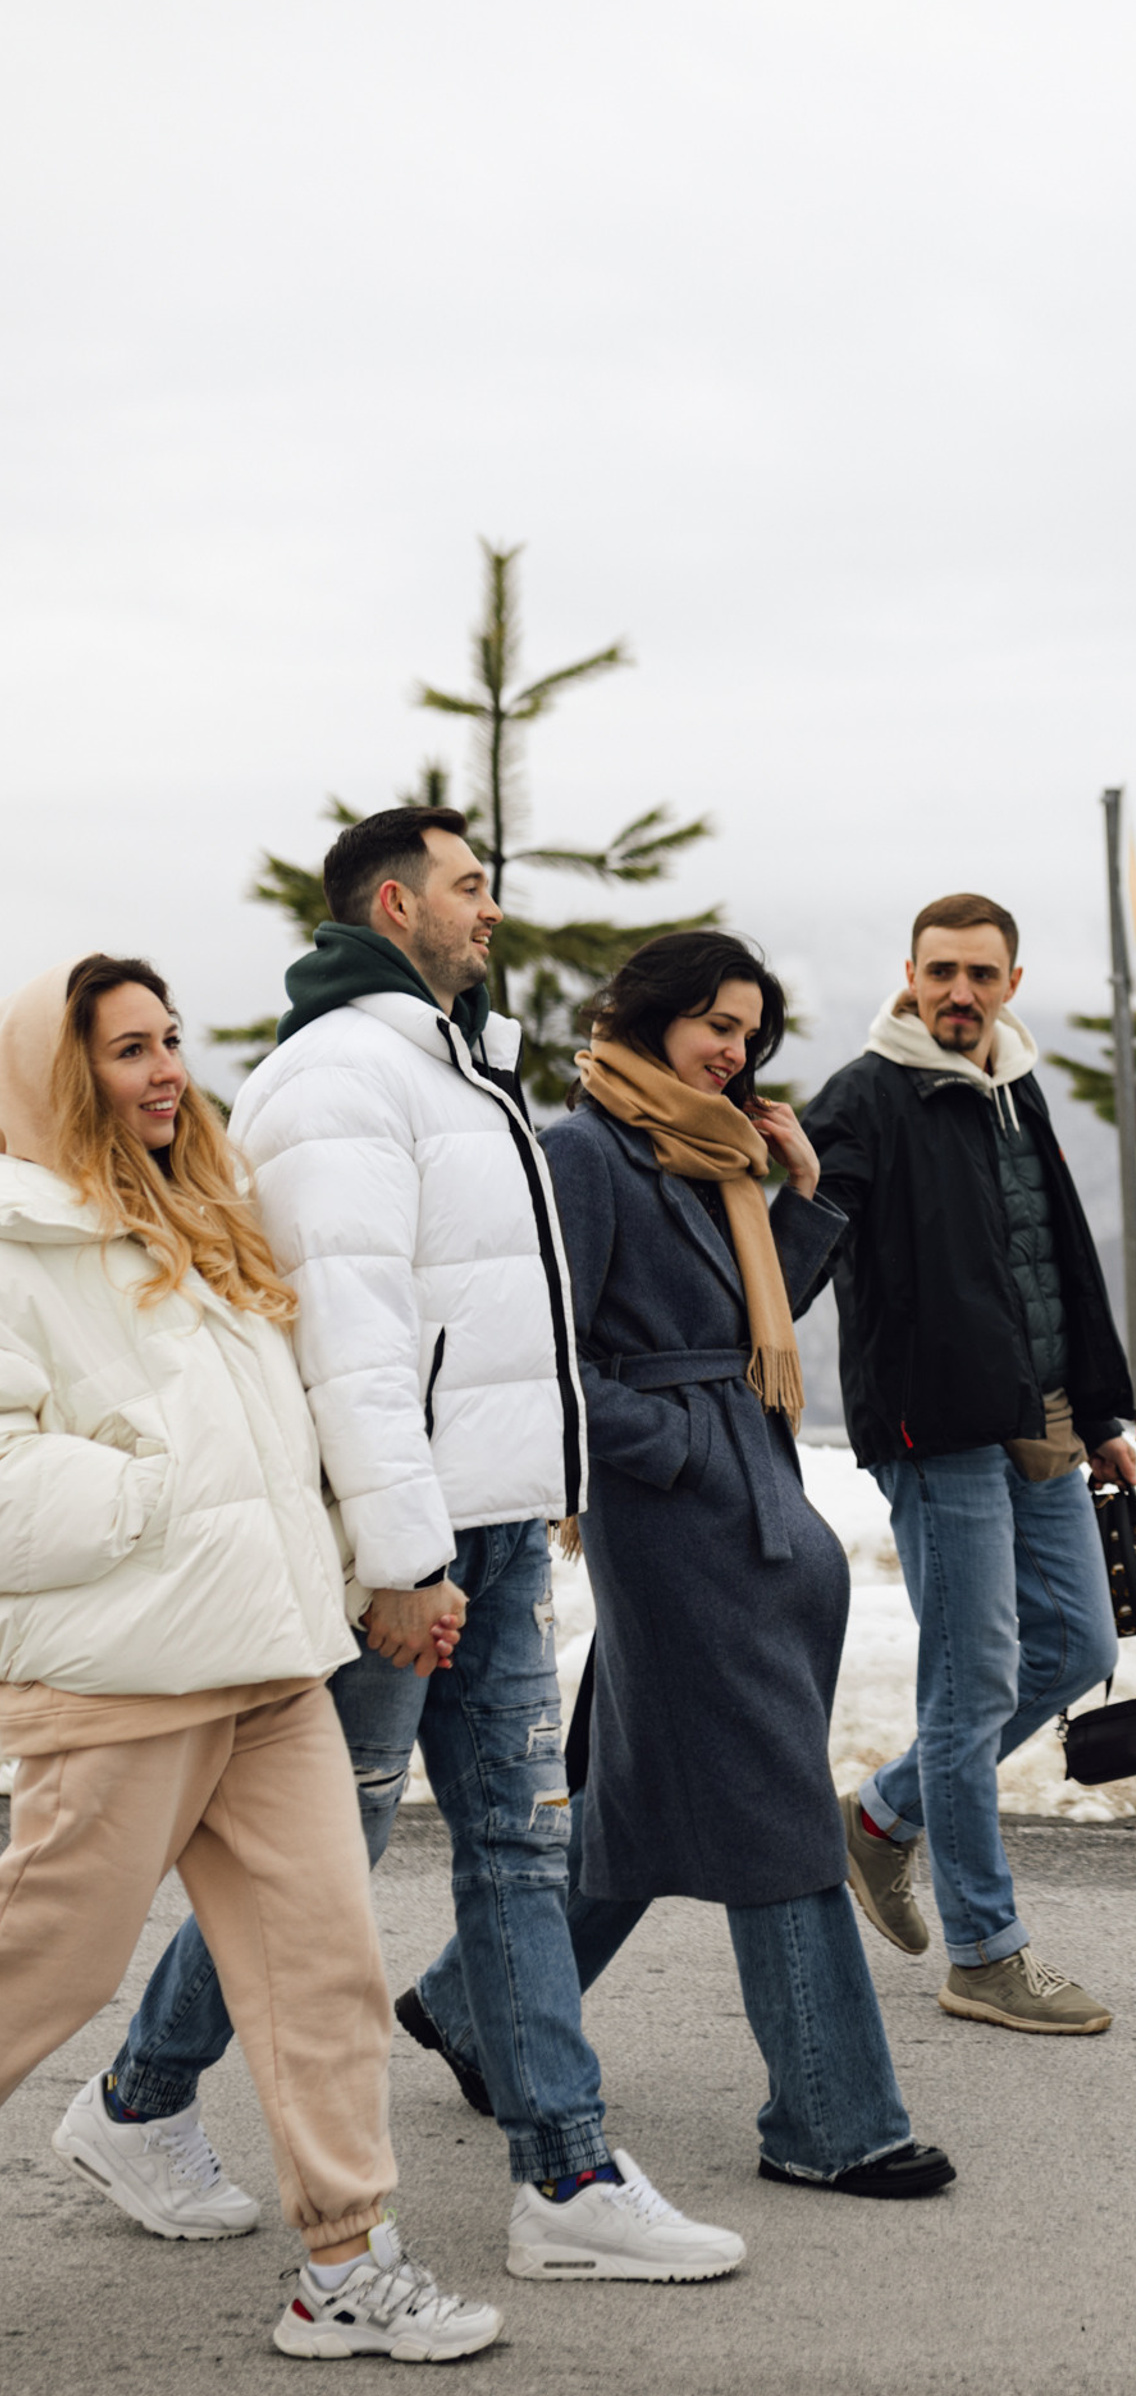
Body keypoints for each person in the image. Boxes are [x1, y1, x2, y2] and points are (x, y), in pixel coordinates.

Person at [93, 806, 742, 2284]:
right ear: (395, 905)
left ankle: (564, 2176)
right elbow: (353, 1335)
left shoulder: (450, 1064)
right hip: (416, 1538)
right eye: (468, 886)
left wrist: (538, 1484)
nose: (491, 907)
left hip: (491, 1525)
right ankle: (137, 2100)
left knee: (519, 1840)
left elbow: (491, 1321)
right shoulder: (340, 1079)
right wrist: (402, 1556)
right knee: (339, 1845)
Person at [0, 954, 502, 2361]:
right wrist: (167, 1498)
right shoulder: (14, 1244)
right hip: (126, 1681)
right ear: (59, 1074)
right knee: (44, 1965)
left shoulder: (197, 1217)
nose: (164, 1072)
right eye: (124, 1051)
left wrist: (360, 1568)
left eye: (170, 1041)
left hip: (273, 1669)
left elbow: (281, 1444)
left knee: (324, 1971)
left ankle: (347, 2265)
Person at [404, 931, 953, 2197]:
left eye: (750, 1030)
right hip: (683, 1523)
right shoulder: (586, 1152)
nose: (734, 1048)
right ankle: (832, 2119)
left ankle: (469, 2010)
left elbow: (731, 1327)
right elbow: (550, 1357)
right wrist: (684, 1446)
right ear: (649, 1018)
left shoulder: (711, 1149)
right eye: (713, 1022)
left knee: (652, 1803)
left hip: (750, 1505)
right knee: (772, 1811)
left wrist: (800, 1198)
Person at [803, 894, 1135, 2035]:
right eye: (940, 971)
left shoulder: (1010, 1083)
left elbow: (1057, 1256)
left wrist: (1101, 1409)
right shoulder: (865, 1095)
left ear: (1011, 981)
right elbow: (807, 1227)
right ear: (907, 973)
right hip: (935, 1426)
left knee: (1080, 1644)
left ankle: (885, 1816)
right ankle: (986, 1952)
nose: (959, 992)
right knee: (974, 1680)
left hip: (1035, 1413)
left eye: (979, 974)